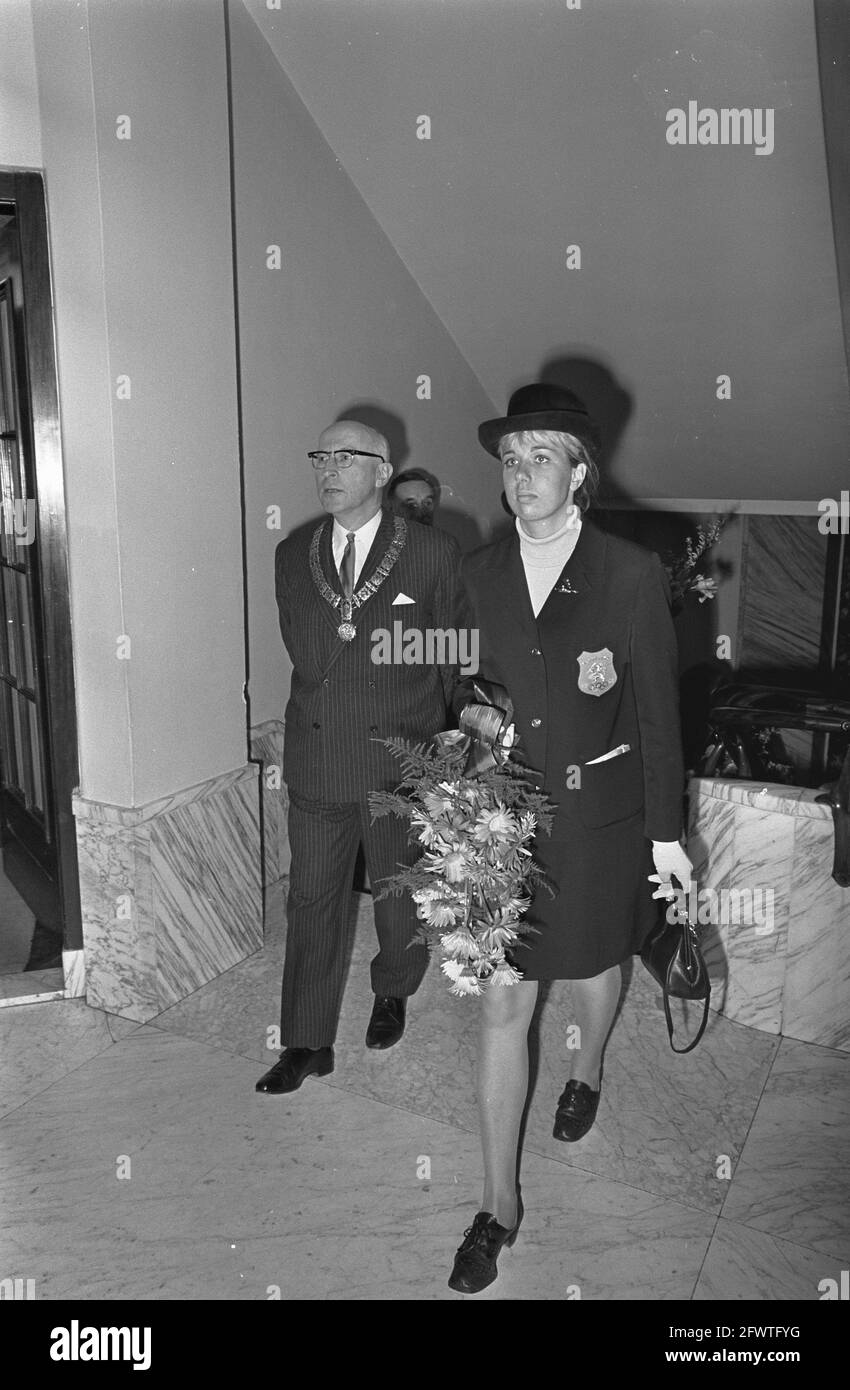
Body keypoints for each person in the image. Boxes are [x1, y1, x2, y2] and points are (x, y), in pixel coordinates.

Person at [447, 383, 693, 1293]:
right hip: (502, 825)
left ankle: (586, 1068)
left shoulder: (630, 572)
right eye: (509, 460)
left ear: (580, 470)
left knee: (594, 966)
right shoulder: (475, 573)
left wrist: (666, 837)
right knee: (504, 1005)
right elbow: (456, 688)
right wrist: (469, 733)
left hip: (599, 822)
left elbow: (659, 715)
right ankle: (496, 1205)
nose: (521, 477)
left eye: (539, 457)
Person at [257, 419, 465, 1095]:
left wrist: (460, 730)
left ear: (382, 472)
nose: (329, 468)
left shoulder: (432, 553)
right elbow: (305, 654)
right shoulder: (293, 553)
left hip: (398, 757)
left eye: (347, 457)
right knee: (311, 901)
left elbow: (455, 651)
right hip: (319, 757)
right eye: (321, 455)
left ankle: (394, 988)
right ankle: (307, 1040)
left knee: (397, 898)